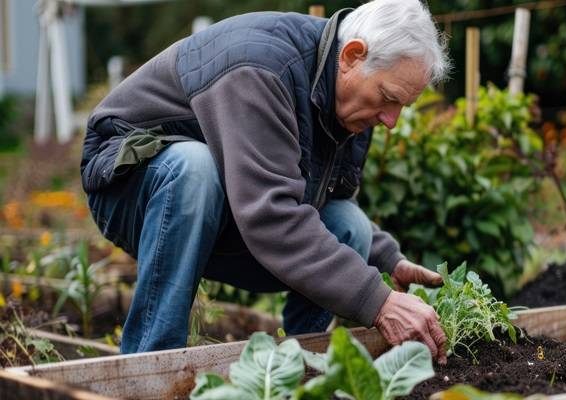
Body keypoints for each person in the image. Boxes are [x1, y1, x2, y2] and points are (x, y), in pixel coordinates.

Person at [80, 0, 451, 363]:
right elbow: (270, 214)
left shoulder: (352, 104)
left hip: (225, 204)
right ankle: (150, 365)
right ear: (352, 55)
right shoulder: (261, 67)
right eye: (389, 99)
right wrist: (379, 302)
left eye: (402, 106)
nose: (391, 120)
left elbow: (328, 201)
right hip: (129, 182)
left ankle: (303, 368)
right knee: (194, 168)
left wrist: (387, 257)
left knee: (349, 225)